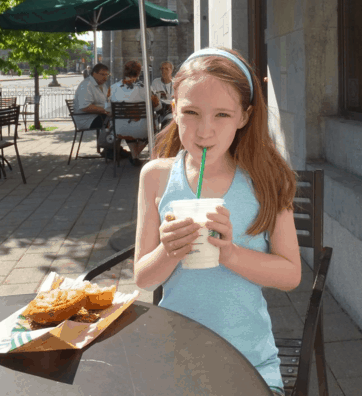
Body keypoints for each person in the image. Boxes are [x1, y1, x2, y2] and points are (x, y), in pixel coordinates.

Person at [134, 46, 300, 395]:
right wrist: (168, 250)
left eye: (222, 115)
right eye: (191, 112)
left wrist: (231, 255)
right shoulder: (156, 177)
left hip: (249, 361)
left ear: (244, 116)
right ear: (175, 109)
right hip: (174, 357)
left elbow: (290, 275)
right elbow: (144, 279)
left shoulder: (268, 180)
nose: (204, 131)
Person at [106, 60, 161, 166]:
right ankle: (134, 156)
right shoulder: (146, 88)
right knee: (150, 131)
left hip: (120, 130)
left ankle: (134, 156)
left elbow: (108, 110)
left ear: (124, 72)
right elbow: (158, 107)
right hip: (143, 129)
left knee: (128, 127)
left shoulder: (112, 88)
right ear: (139, 72)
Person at [73, 63, 110, 130]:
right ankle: (107, 140)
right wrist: (105, 110)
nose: (105, 78)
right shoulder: (86, 85)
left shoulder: (102, 85)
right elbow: (85, 107)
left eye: (107, 75)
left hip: (100, 116)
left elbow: (107, 100)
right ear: (94, 74)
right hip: (87, 119)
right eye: (102, 74)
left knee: (121, 120)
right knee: (116, 123)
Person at [151, 61, 174, 128]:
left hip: (172, 109)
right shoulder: (156, 82)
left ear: (171, 70)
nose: (163, 71)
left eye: (166, 69)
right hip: (160, 110)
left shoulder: (176, 82)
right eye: (162, 69)